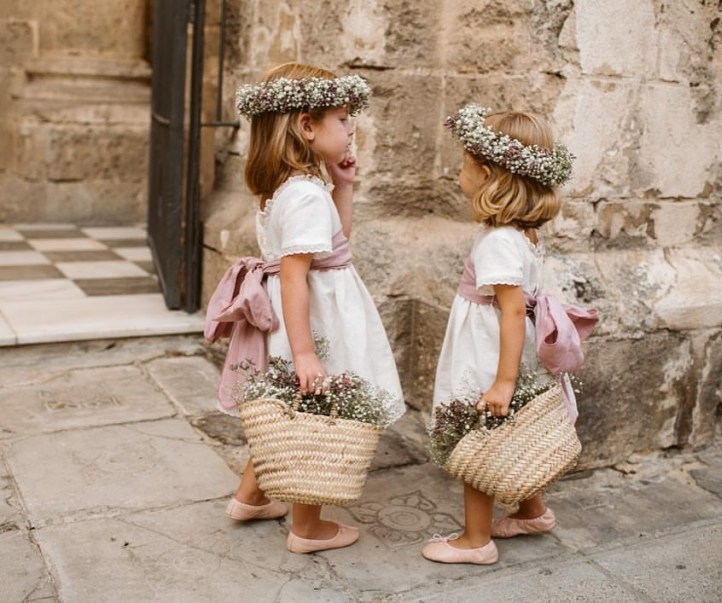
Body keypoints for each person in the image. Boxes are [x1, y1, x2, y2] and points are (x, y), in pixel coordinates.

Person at [205, 62, 405, 554]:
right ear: (307, 126)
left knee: (286, 408)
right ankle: (308, 527)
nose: (351, 130)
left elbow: (335, 244)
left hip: (300, 315)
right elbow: (296, 276)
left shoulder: (285, 190)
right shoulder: (305, 196)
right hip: (316, 320)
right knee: (314, 414)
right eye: (342, 120)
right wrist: (307, 354)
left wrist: (343, 184)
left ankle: (251, 496)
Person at [422, 104, 577, 565]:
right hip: (506, 344)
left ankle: (475, 540)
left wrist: (503, 381)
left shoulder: (497, 241)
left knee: (480, 434)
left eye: (463, 165)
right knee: (513, 430)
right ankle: (532, 510)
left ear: (487, 173)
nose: (458, 173)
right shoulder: (521, 232)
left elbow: (510, 311)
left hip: (489, 348)